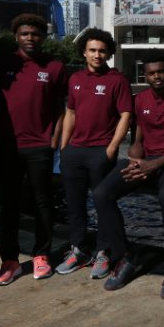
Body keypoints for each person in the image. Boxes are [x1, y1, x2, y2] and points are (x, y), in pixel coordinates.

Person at [92, 50, 164, 292]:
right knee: (100, 194)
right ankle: (125, 256)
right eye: (151, 73)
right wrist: (136, 162)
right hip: (146, 160)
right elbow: (137, 141)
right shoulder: (140, 100)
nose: (156, 76)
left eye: (161, 71)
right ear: (145, 75)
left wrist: (154, 165)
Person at [0, 13, 68, 285]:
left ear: (43, 37)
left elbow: (62, 108)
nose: (30, 38)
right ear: (16, 36)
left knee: (42, 203)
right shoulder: (1, 65)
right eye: (25, 34)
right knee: (8, 204)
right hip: (7, 146)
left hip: (39, 147)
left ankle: (41, 255)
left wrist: (54, 139)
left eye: (35, 34)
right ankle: (9, 261)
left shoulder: (55, 67)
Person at [56, 28, 133, 277]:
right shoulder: (76, 78)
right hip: (75, 152)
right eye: (92, 50)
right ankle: (79, 249)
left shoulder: (117, 80)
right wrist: (64, 147)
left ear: (109, 53)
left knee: (103, 204)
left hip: (101, 151)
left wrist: (111, 148)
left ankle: (104, 252)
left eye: (102, 51)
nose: (97, 55)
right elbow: (71, 113)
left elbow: (126, 115)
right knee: (75, 204)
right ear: (84, 52)